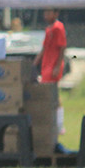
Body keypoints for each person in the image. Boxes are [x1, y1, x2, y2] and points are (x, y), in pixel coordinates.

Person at [35, 8, 68, 138]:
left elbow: (62, 47)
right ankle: (51, 122)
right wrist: (35, 62)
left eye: (49, 13)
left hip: (53, 66)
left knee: (54, 94)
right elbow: (44, 48)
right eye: (45, 12)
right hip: (46, 66)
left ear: (56, 13)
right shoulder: (48, 29)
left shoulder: (59, 27)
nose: (46, 15)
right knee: (48, 94)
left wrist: (58, 65)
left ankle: (60, 124)